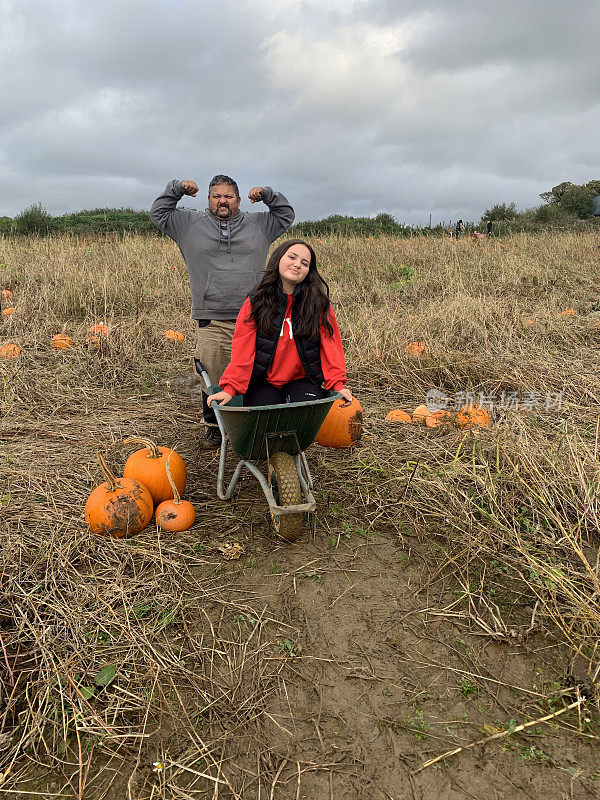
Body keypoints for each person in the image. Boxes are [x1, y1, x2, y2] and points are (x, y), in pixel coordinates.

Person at [149, 175, 295, 447]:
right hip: (212, 317)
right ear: (208, 200)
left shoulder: (259, 224)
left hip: (255, 317)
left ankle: (253, 423)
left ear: (239, 200)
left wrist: (266, 194)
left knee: (257, 373)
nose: (222, 201)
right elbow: (158, 213)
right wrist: (177, 189)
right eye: (216, 196)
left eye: (228, 196)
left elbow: (286, 215)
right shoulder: (188, 224)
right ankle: (215, 426)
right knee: (212, 375)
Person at [206, 239, 353, 410]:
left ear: (308, 271)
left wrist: (337, 385)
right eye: (292, 257)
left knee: (303, 413)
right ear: (278, 259)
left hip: (302, 380)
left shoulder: (317, 305)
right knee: (266, 416)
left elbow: (331, 348)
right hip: (263, 381)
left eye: (304, 263)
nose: (297, 264)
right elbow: (243, 350)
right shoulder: (256, 302)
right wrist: (231, 388)